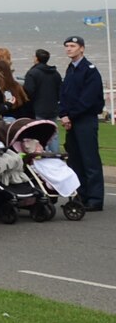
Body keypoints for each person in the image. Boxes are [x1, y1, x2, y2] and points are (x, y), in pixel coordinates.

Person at [58, 36, 104, 211]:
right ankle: (82, 194)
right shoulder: (71, 69)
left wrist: (71, 115)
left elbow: (88, 99)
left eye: (72, 46)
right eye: (67, 46)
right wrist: (63, 114)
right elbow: (65, 94)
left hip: (85, 119)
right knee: (75, 159)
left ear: (82, 48)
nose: (68, 49)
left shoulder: (89, 70)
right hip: (71, 120)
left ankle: (95, 198)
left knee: (89, 159)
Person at [23, 48, 62, 124]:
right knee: (52, 131)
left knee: (39, 132)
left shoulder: (32, 73)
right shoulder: (55, 73)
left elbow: (28, 91)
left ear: (37, 59)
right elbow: (60, 90)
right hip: (53, 109)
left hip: (37, 110)